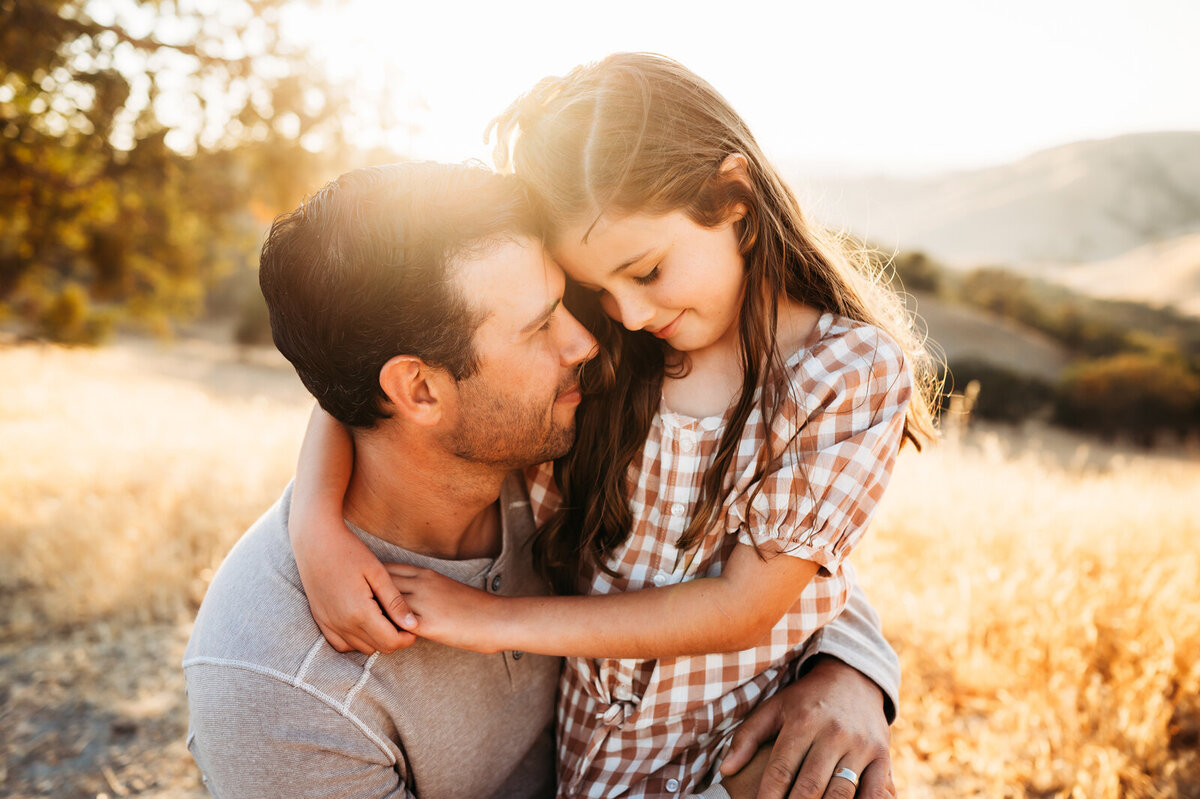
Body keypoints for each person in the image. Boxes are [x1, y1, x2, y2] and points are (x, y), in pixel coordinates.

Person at [288, 54, 937, 798]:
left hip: (737, 758)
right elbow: (372, 374)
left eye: (648, 270)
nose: (625, 312)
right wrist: (315, 528)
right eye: (599, 286)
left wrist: (495, 619)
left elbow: (742, 607)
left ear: (736, 199)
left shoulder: (845, 373)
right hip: (592, 759)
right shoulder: (614, 336)